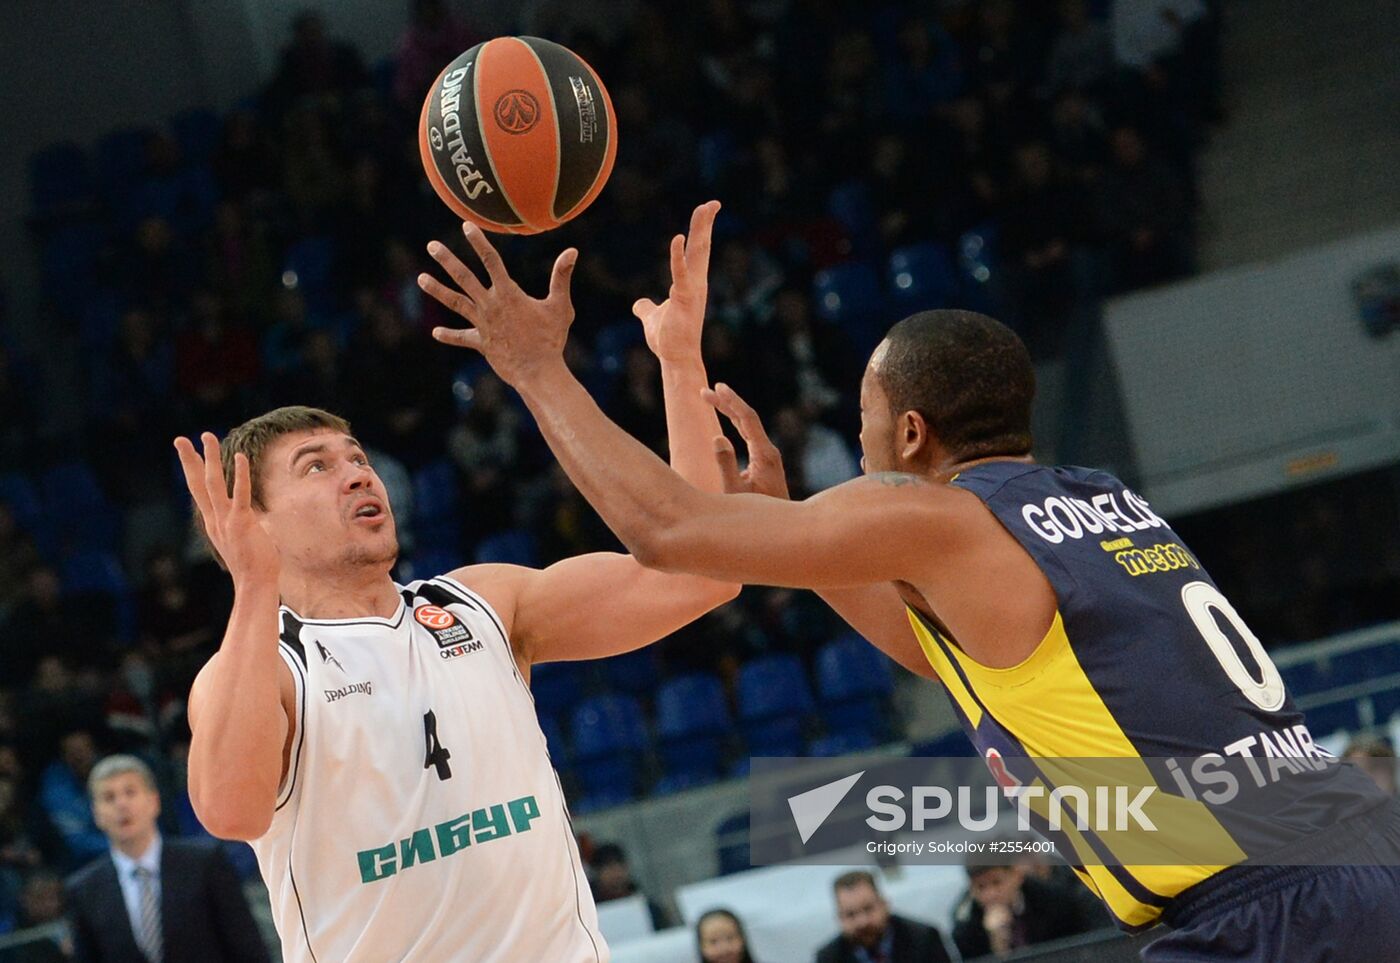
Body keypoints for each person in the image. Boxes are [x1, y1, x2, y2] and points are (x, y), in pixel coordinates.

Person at [416, 208, 1400, 962]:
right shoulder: (1090, 500)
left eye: (864, 417)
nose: (858, 439)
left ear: (910, 436)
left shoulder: (933, 514)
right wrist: (799, 538)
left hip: (1268, 905)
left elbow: (666, 531)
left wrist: (537, 368)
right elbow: (934, 650)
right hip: (1345, 851)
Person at [179, 203, 738, 962]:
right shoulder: (262, 671)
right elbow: (228, 809)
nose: (356, 474)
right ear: (257, 521)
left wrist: (677, 361)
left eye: (356, 457)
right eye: (317, 465)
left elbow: (703, 574)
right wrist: (252, 586)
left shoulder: (482, 601)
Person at [65, 755, 268, 963]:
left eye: (130, 792)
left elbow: (248, 947)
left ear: (154, 801)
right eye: (109, 797)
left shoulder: (205, 863)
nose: (121, 804)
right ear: (96, 813)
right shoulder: (84, 891)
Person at [951, 859, 1106, 959]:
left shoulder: (1056, 901)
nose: (990, 894)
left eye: (997, 883)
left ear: (1017, 876)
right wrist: (998, 944)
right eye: (981, 887)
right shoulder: (967, 928)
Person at [813, 871, 952, 963]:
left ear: (884, 905)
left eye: (868, 909)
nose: (862, 922)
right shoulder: (828, 958)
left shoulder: (924, 939)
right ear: (839, 918)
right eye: (851, 915)